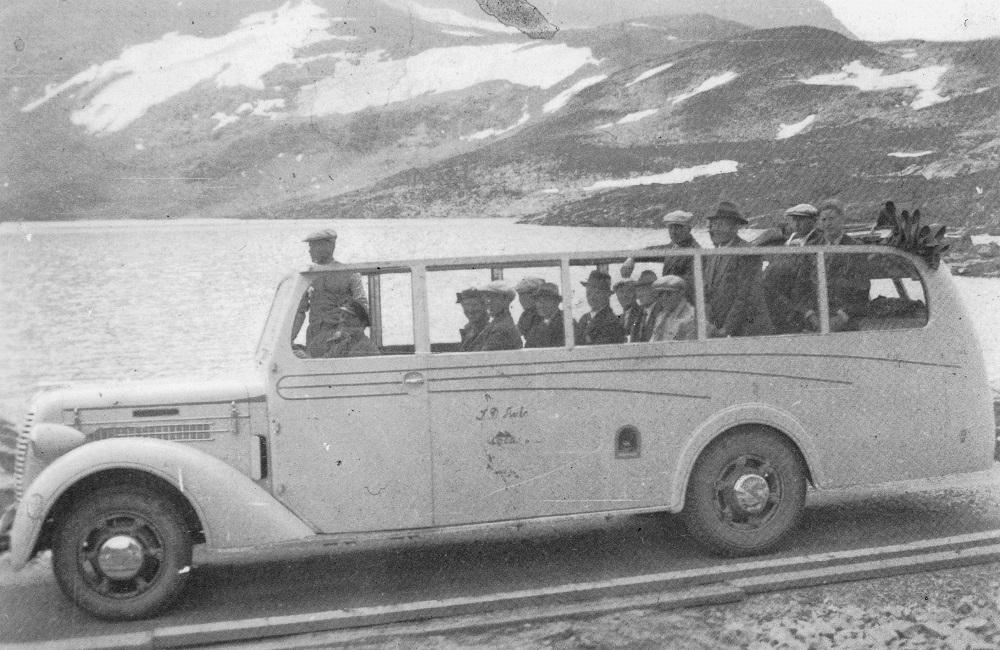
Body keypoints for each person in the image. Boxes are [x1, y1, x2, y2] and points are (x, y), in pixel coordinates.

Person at [292, 229, 368, 358]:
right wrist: (289, 339)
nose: (310, 251)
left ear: (329, 246)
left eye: (314, 246)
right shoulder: (308, 276)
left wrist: (347, 334)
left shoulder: (350, 273)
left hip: (342, 338)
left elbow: (361, 307)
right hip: (316, 338)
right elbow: (300, 311)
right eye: (310, 246)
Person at [703, 201, 772, 337]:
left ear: (735, 227)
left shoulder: (746, 252)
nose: (715, 229)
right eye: (713, 224)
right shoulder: (713, 254)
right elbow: (707, 292)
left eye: (720, 224)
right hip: (720, 329)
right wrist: (710, 323)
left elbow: (745, 295)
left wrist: (727, 329)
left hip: (747, 330)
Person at [762, 204, 823, 334]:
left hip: (802, 294)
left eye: (801, 220)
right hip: (781, 292)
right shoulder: (790, 240)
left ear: (812, 221)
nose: (796, 224)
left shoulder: (818, 240)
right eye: (794, 220)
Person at [620, 208, 700, 299]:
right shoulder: (674, 246)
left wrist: (658, 286)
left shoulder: (694, 251)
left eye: (678, 227)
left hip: (682, 299)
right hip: (670, 298)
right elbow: (654, 250)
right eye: (671, 228)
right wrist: (632, 257)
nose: (673, 232)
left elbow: (689, 283)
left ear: (688, 229)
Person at [818, 198, 868, 330]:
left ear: (842, 220)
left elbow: (862, 287)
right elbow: (803, 284)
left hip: (846, 317)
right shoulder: (813, 248)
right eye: (824, 220)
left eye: (831, 219)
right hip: (818, 315)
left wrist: (843, 315)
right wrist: (811, 315)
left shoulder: (855, 248)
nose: (828, 224)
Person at [575, 270, 626, 345]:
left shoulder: (612, 321)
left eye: (597, 292)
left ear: (606, 294)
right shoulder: (584, 318)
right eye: (589, 293)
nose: (591, 297)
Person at [470, 281, 523, 351]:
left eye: (493, 298)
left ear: (505, 301)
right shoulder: (497, 323)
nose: (488, 302)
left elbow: (484, 354)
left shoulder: (501, 328)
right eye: (487, 297)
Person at [648, 275, 697, 341]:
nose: (664, 298)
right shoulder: (661, 317)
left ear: (680, 293)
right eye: (660, 294)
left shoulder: (692, 317)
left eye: (669, 293)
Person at [523, 282, 565, 348]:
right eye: (538, 301)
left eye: (546, 300)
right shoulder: (537, 324)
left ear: (556, 302)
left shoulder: (565, 323)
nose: (541, 305)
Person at [630, 270, 660, 342]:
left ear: (654, 290)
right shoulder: (638, 313)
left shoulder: (662, 311)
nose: (639, 295)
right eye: (637, 290)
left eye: (643, 289)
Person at [456, 287, 488, 351]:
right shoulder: (469, 329)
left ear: (484, 306)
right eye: (466, 305)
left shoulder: (489, 329)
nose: (470, 309)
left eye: (474, 305)